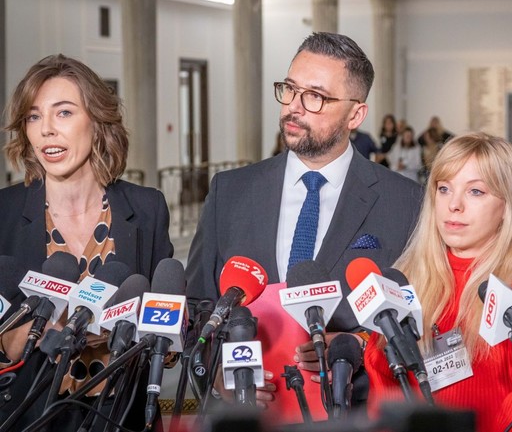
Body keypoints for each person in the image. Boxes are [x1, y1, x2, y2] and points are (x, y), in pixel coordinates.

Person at [185, 32, 422, 419]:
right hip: (249, 418)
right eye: (290, 89)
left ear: (355, 115)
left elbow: (422, 316)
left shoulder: (406, 202)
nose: (293, 107)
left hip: (354, 416)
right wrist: (217, 376)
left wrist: (360, 346)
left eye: (315, 96)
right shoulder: (230, 191)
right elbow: (199, 305)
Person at [0, 54, 173, 430]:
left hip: (122, 414)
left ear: (97, 121)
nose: (46, 130)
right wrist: (15, 337)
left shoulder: (147, 208)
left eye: (63, 112)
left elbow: (168, 324)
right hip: (28, 416)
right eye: (33, 117)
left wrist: (165, 335)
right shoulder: (4, 213)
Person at [365, 132, 512, 432]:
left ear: (507, 205)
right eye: (444, 188)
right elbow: (383, 390)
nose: (454, 205)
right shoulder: (403, 282)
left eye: (475, 191)